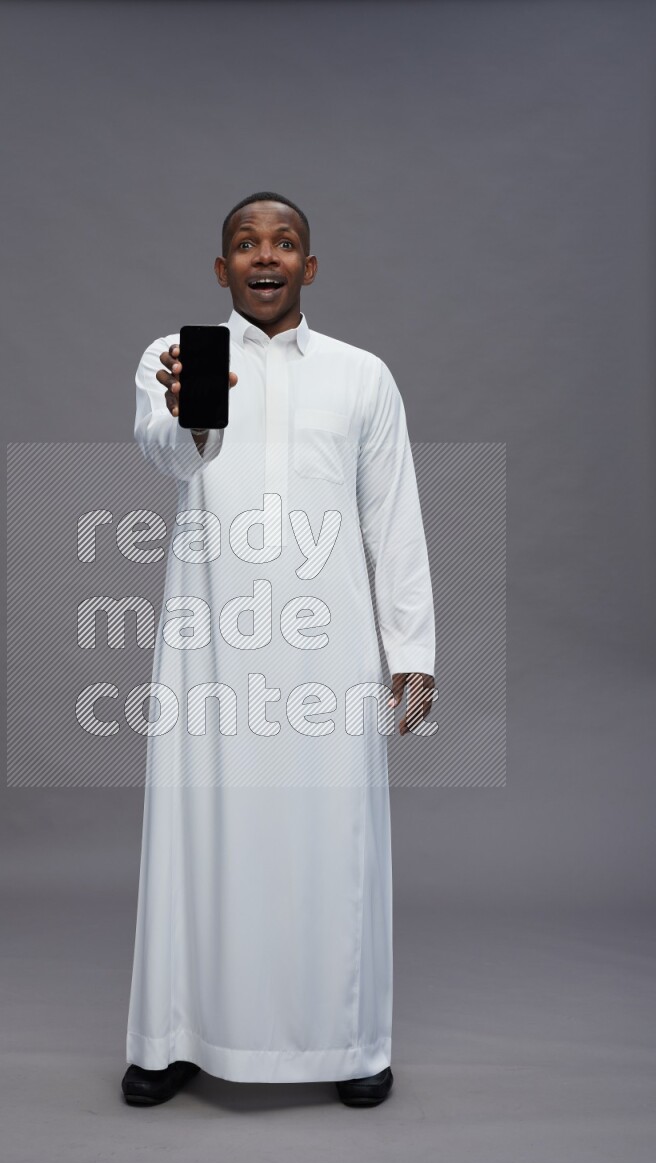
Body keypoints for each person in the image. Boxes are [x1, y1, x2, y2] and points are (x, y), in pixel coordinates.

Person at [121, 192, 435, 1109]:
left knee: (331, 837)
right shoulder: (179, 358)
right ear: (221, 270)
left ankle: (349, 1039)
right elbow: (170, 457)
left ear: (309, 265)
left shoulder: (361, 375)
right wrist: (190, 413)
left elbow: (394, 517)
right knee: (199, 831)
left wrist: (410, 647)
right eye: (246, 245)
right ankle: (173, 1034)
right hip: (211, 643)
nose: (266, 257)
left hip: (327, 652)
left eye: (285, 243)